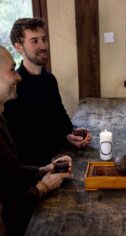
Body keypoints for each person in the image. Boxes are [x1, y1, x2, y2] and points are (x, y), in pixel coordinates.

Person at [0, 45, 72, 236]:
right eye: (11, 70)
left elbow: (11, 172)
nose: (18, 77)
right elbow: (7, 212)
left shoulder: (1, 119)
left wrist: (42, 170)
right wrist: (42, 188)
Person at [3, 17, 91, 166]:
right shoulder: (12, 87)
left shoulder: (50, 79)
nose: (43, 46)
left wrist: (70, 133)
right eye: (34, 41)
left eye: (44, 39)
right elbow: (26, 138)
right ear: (18, 47)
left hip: (62, 158)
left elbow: (59, 116)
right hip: (34, 169)